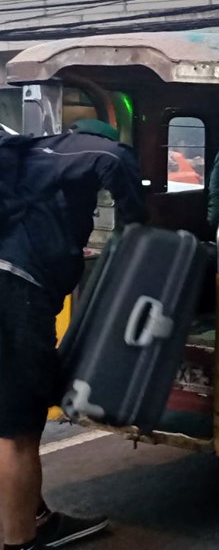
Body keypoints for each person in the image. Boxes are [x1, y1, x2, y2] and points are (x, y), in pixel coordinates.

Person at [0, 118, 147, 550]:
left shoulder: (23, 162)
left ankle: (35, 515)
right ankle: (20, 541)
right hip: (14, 292)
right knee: (19, 432)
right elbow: (114, 159)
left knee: (5, 418)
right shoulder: (76, 149)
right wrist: (135, 230)